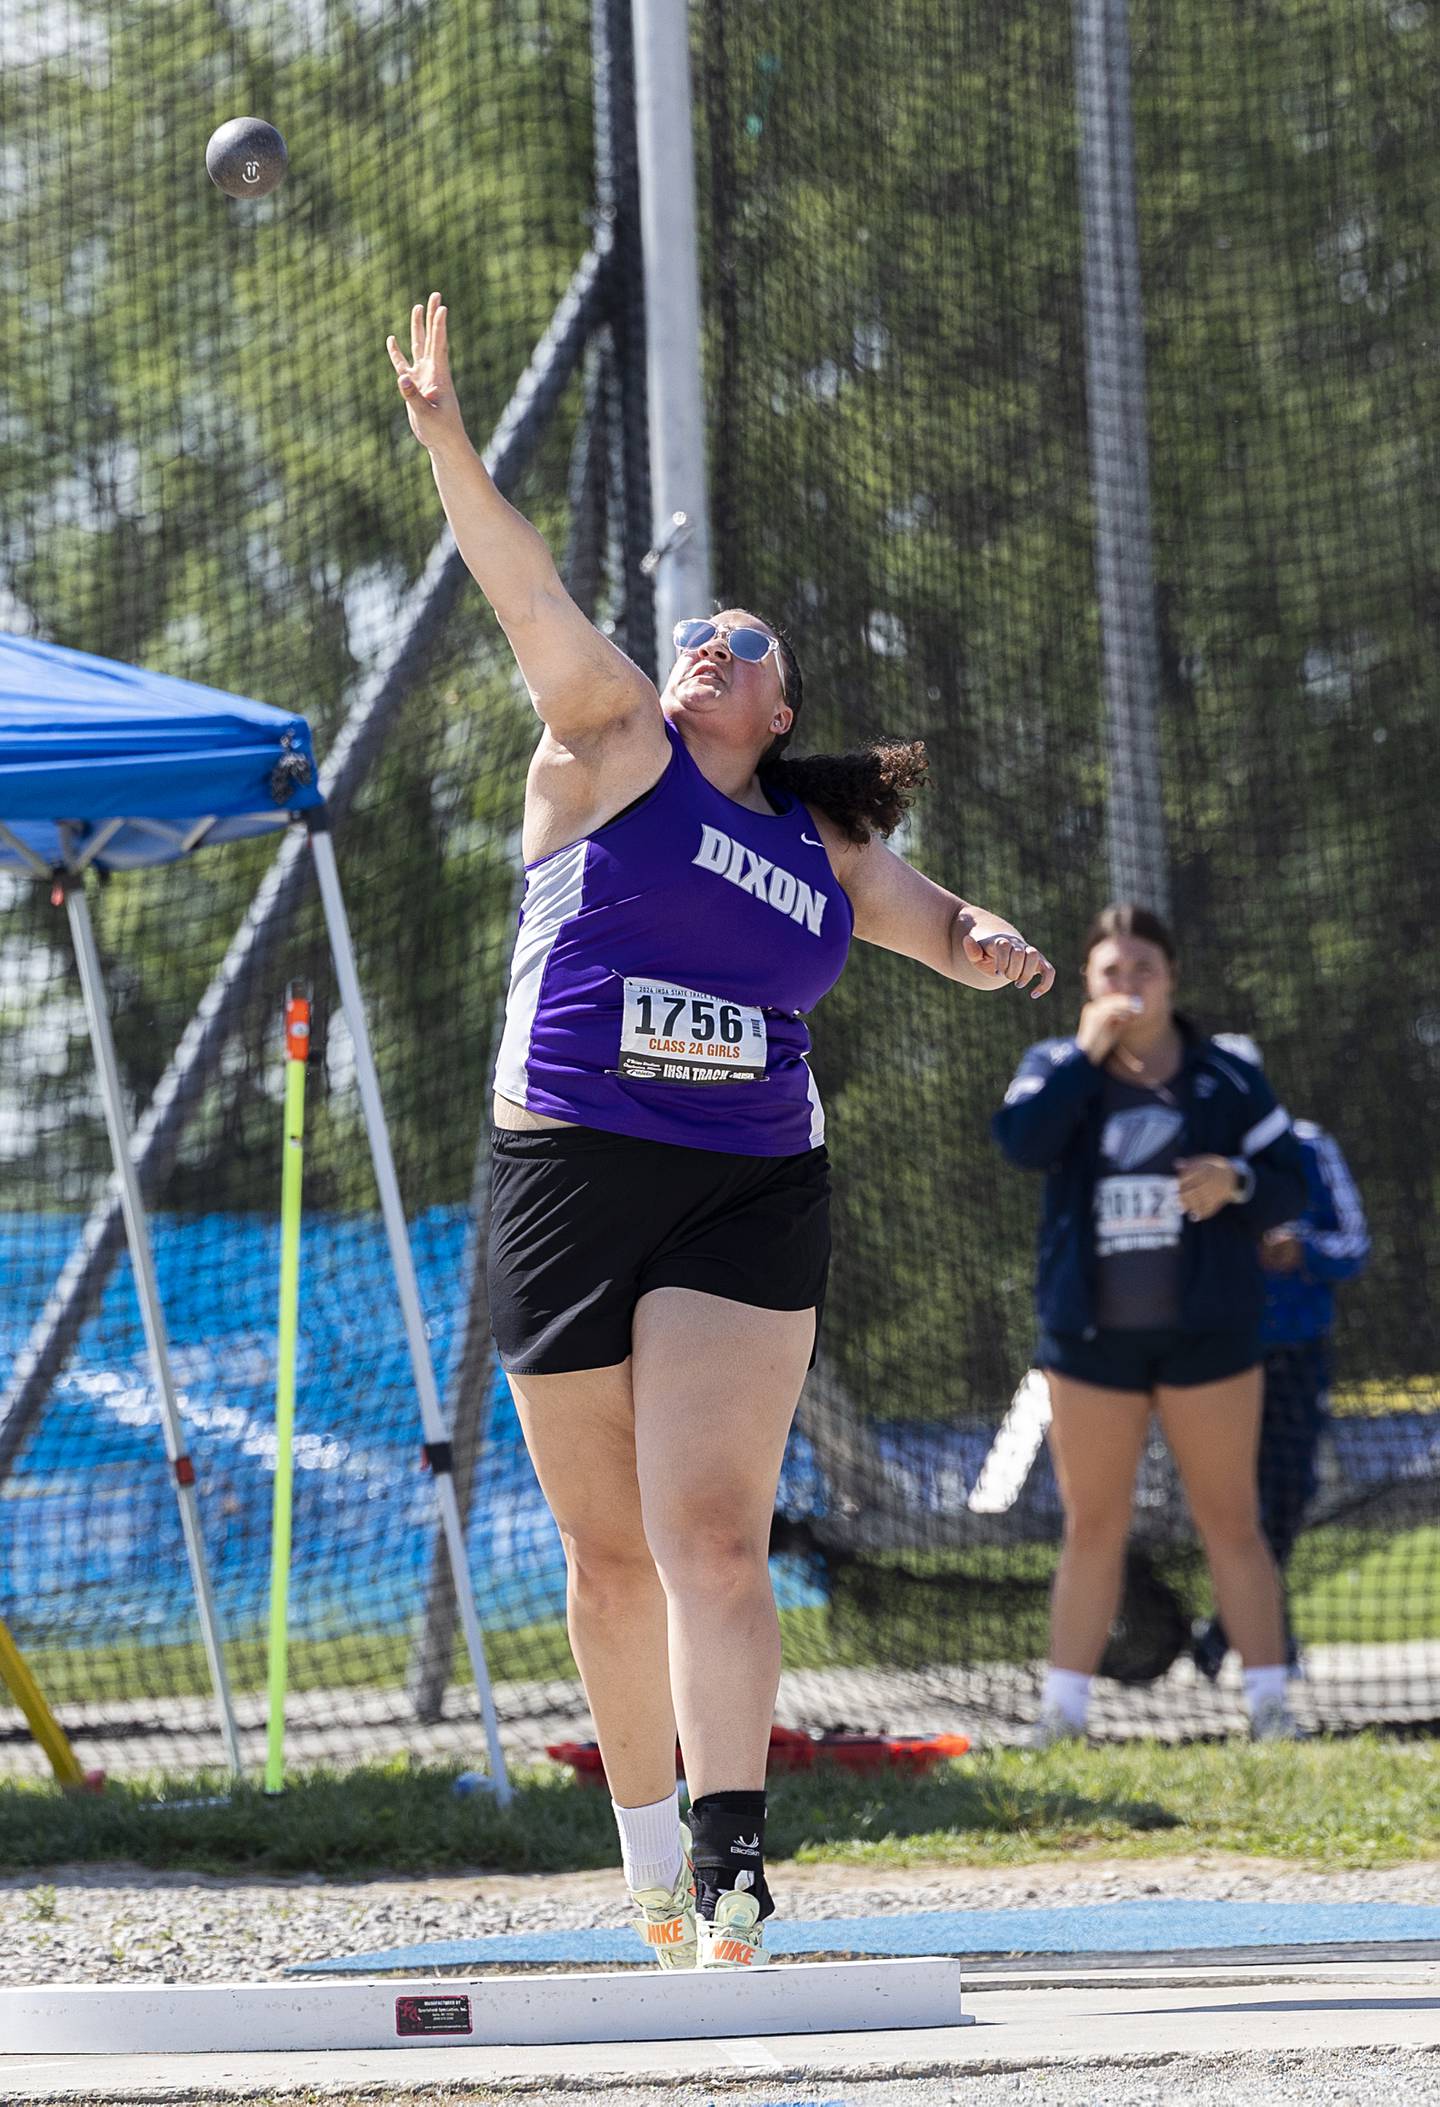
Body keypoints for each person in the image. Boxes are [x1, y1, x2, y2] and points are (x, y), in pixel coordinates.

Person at [388, 294, 1057, 1969]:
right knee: (610, 1558)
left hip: (748, 1181)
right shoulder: (611, 742)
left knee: (709, 1527)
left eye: (746, 647)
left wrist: (986, 947)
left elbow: (934, 913)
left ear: (781, 704)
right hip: (567, 1166)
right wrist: (452, 442)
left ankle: (735, 1859)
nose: (712, 649)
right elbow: (524, 591)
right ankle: (644, 1875)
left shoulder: (823, 844)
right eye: (701, 633)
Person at [992, 903, 1310, 1743]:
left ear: (1170, 980)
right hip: (1091, 1346)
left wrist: (1235, 1179)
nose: (1128, 987)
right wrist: (1088, 1053)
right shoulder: (1057, 1063)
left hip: (1210, 1340)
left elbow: (1294, 1180)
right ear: (1087, 985)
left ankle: (1273, 1710)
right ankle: (1060, 1719)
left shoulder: (1227, 1075)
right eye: (1110, 974)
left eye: (1143, 971)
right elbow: (1021, 1144)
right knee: (1092, 1526)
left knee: (1230, 1520)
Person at [1191, 1034, 1370, 1679]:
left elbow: (1354, 1245)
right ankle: (1269, 1644)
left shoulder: (1309, 1148)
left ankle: (1225, 1632)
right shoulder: (1193, 1158)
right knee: (1233, 1501)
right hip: (1216, 1352)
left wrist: (1303, 1251)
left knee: (1288, 1494)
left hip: (1295, 1352)